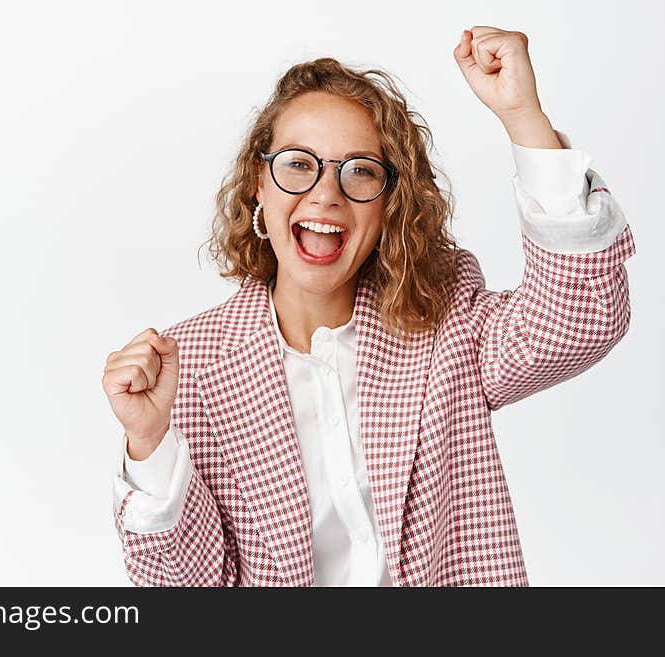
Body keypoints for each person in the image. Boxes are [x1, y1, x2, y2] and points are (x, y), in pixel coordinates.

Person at [102, 26, 636, 586]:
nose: (327, 193)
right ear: (259, 181)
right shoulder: (190, 367)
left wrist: (523, 114)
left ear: (389, 205)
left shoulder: (443, 317)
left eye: (360, 170)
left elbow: (582, 319)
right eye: (298, 163)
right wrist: (148, 442)